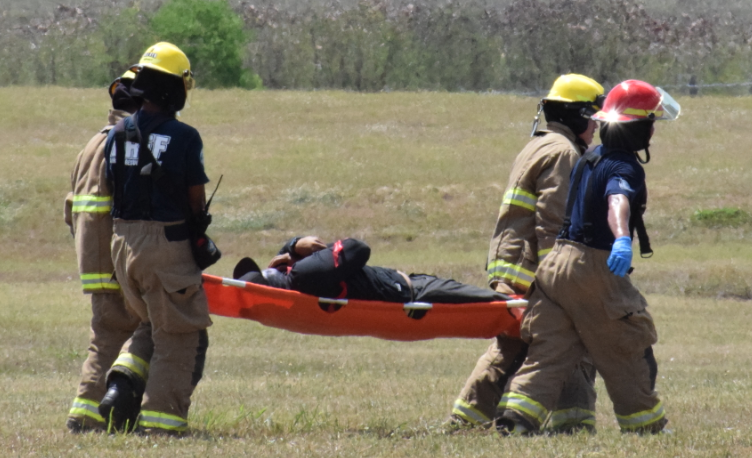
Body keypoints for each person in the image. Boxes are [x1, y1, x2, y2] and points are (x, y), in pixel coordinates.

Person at [495, 80, 680, 435]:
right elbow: (617, 201)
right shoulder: (624, 167)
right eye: (651, 123)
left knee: (552, 349)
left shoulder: (588, 158)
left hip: (554, 267)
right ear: (636, 127)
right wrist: (623, 239)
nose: (654, 130)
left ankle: (516, 421)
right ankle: (647, 426)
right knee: (628, 343)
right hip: (593, 267)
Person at [450, 74, 605, 432]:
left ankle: (468, 420)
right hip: (534, 272)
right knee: (563, 341)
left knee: (515, 345)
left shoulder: (538, 145)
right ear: (577, 116)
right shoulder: (564, 153)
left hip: (514, 267)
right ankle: (572, 425)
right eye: (592, 118)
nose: (595, 127)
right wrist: (563, 279)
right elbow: (553, 221)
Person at [101, 42, 212, 435]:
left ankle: (118, 385)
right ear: (175, 89)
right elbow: (195, 197)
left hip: (122, 246)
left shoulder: (115, 135)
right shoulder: (184, 136)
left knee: (150, 323)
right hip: (166, 245)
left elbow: (113, 189)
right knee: (180, 335)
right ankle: (162, 424)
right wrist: (198, 228)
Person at [64, 71, 143, 433]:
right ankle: (124, 408)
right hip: (119, 259)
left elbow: (70, 208)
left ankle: (85, 413)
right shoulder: (128, 143)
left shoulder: (91, 144)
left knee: (105, 337)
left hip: (92, 262)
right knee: (153, 328)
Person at [233, 236, 510, 305]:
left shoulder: (301, 279)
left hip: (408, 286)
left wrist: (293, 248)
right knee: (500, 305)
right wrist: (294, 249)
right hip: (415, 292)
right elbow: (357, 248)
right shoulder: (303, 276)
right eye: (271, 271)